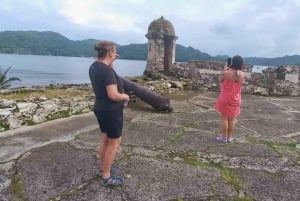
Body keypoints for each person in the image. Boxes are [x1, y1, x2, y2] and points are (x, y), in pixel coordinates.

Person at [89, 40, 129, 186]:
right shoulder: (107, 71)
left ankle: (104, 167)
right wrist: (125, 97)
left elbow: (108, 71)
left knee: (105, 139)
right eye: (114, 51)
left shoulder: (94, 67)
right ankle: (106, 176)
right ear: (111, 52)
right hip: (112, 110)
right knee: (115, 141)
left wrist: (112, 61)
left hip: (100, 108)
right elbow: (113, 95)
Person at [215, 55, 245, 143]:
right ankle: (229, 137)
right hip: (236, 100)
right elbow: (237, 77)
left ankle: (223, 138)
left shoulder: (226, 73)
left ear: (232, 63)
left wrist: (224, 70)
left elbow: (220, 79)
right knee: (232, 119)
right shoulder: (242, 74)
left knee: (225, 118)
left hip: (225, 99)